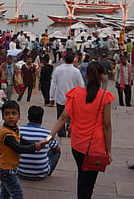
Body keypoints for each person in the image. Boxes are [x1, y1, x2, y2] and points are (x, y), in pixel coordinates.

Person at [50, 61, 114, 199]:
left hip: (77, 145)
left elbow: (63, 118)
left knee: (81, 173)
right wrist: (108, 151)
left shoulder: (76, 93)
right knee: (89, 182)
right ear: (101, 77)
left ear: (85, 75)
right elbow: (107, 125)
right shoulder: (105, 96)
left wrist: (49, 137)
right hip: (95, 147)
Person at [0, 101, 49, 199]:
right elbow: (18, 148)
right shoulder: (6, 134)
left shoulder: (14, 128)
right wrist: (35, 147)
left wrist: (33, 143)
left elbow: (21, 140)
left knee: (6, 191)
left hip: (7, 167)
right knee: (17, 193)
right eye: (7, 114)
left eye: (14, 114)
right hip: (6, 169)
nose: (10, 117)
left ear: (19, 116)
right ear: (2, 117)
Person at [17, 106, 61, 180]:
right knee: (55, 151)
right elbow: (57, 150)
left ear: (28, 117)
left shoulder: (18, 131)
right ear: (41, 119)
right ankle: (47, 171)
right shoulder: (48, 134)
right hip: (41, 173)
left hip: (20, 172)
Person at [50, 51, 85, 137]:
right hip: (72, 99)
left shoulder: (58, 69)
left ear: (64, 59)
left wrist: (51, 97)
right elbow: (81, 86)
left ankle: (61, 133)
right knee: (71, 116)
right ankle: (70, 128)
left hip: (60, 98)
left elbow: (53, 84)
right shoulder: (76, 71)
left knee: (60, 117)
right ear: (73, 60)